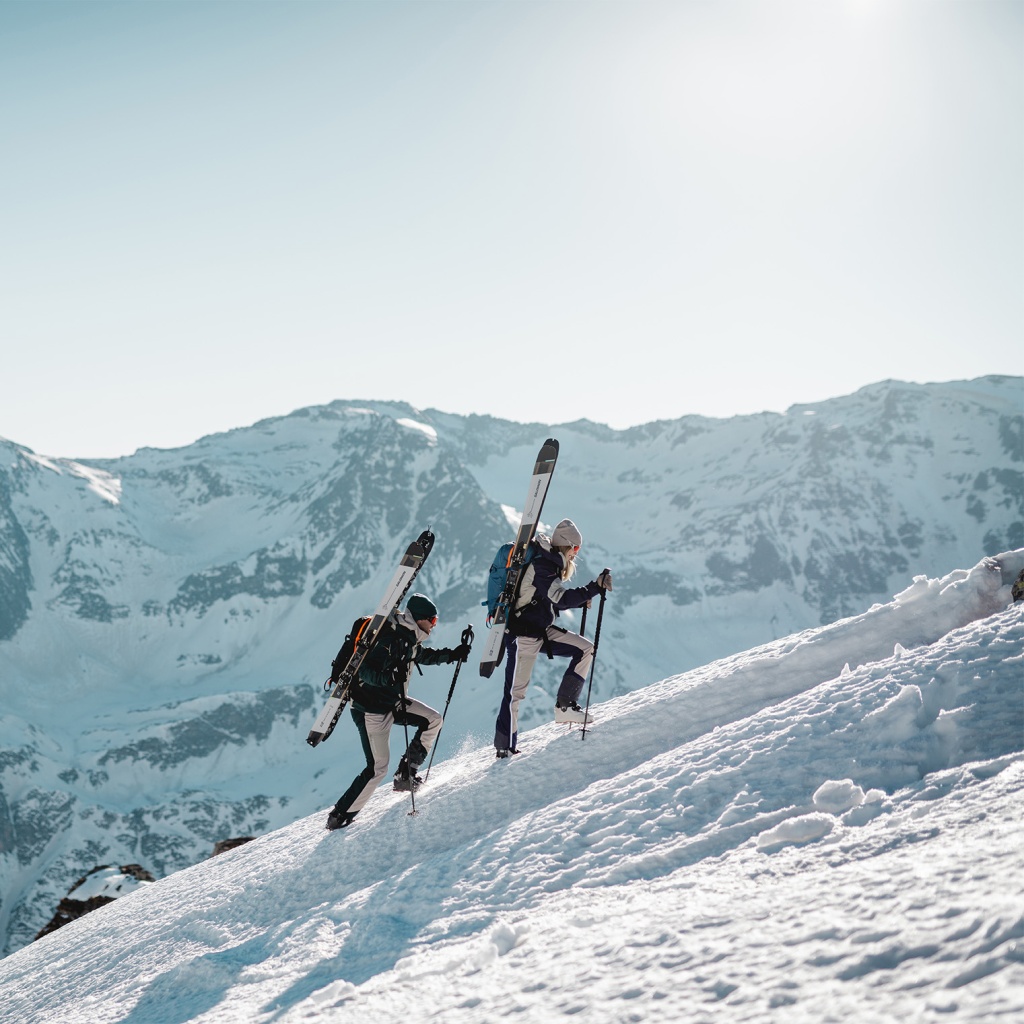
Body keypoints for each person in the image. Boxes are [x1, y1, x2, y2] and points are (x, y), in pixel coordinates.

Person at [326, 593, 470, 830]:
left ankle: (406, 775)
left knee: (433, 720)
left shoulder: (408, 637)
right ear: (419, 619)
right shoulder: (391, 638)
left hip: (391, 702)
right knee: (377, 767)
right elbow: (364, 671)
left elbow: (421, 655)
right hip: (371, 709)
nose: (434, 626)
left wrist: (453, 654)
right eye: (432, 621)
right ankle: (340, 815)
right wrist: (388, 677)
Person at [493, 518, 612, 759]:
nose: (575, 554)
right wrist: (593, 588)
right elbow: (560, 598)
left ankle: (565, 706)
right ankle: (505, 747)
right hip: (521, 636)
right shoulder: (542, 566)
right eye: (575, 549)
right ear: (567, 546)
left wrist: (582, 599)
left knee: (584, 649)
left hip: (539, 630)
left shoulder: (550, 565)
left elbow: (545, 601)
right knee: (515, 693)